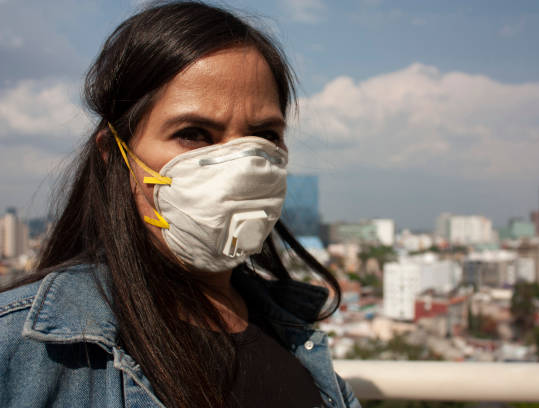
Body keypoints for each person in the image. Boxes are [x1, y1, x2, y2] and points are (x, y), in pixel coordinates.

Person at [0, 2, 361, 407]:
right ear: (114, 155)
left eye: (263, 135)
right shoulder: (23, 345)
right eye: (194, 133)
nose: (240, 167)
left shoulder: (296, 336)